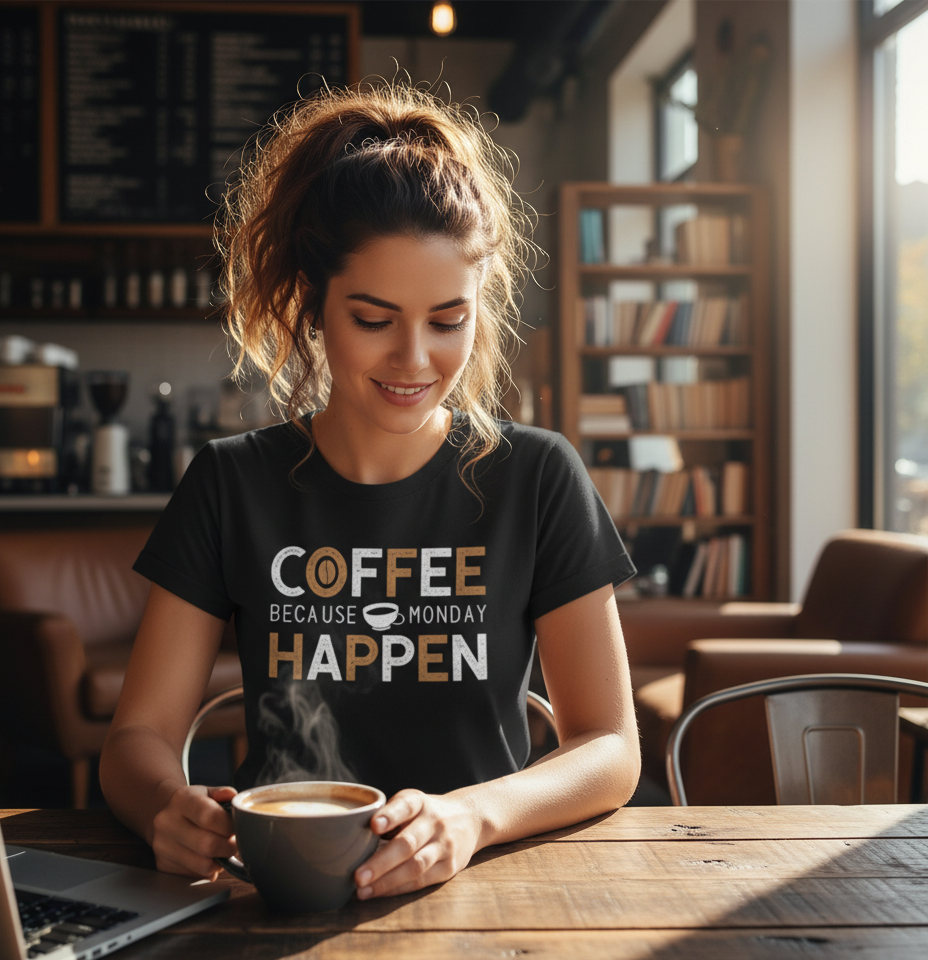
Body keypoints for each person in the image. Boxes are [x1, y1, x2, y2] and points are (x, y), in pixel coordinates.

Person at [100, 81, 640, 902]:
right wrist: (162, 807)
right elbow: (136, 738)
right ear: (312, 305)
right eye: (374, 319)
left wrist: (474, 816)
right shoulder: (231, 482)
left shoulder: (536, 476)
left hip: (488, 896)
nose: (414, 359)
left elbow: (610, 748)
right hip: (276, 897)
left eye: (448, 321)